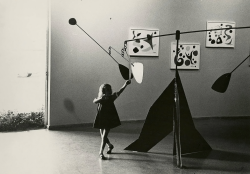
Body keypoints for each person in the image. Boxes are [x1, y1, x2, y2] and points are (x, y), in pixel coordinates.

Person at [93, 80, 131, 160]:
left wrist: (125, 84)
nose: (110, 91)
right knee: (102, 135)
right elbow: (94, 101)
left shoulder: (112, 97)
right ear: (103, 91)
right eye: (108, 90)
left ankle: (101, 152)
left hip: (109, 119)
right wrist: (100, 99)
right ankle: (110, 145)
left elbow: (120, 91)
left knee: (104, 136)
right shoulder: (101, 98)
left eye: (110, 90)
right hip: (101, 118)